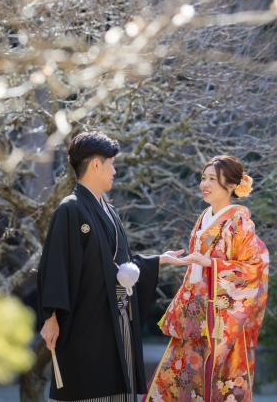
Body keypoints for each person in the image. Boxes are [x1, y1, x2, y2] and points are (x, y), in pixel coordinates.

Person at [38, 131, 189, 402]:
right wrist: (50, 317)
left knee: (120, 387)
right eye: (111, 163)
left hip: (117, 318)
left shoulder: (109, 209)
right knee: (92, 389)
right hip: (88, 319)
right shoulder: (70, 209)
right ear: (96, 165)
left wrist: (159, 260)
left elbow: (119, 266)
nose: (115, 170)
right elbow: (55, 264)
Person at [144, 155, 270, 402]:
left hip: (222, 323)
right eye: (203, 178)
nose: (205, 184)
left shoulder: (240, 222)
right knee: (180, 378)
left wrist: (211, 264)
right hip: (196, 314)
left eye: (213, 179)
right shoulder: (205, 216)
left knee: (218, 383)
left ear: (232, 185)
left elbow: (253, 269)